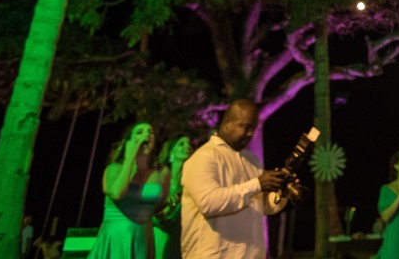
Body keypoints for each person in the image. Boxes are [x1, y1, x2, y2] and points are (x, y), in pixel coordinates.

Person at [181, 100, 291, 259]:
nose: (250, 134)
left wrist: (282, 191)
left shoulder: (252, 160)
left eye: (253, 128)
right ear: (227, 123)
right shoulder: (204, 157)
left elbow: (262, 207)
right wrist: (257, 184)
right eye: (245, 126)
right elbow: (208, 203)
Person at [87, 122, 168, 259]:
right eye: (139, 132)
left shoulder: (161, 173)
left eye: (150, 132)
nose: (146, 135)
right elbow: (117, 193)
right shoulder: (114, 169)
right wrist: (130, 159)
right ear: (128, 141)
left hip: (143, 237)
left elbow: (159, 207)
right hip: (117, 236)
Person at [152, 133, 193, 259]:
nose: (187, 146)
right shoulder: (159, 176)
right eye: (181, 144)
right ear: (171, 151)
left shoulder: (190, 179)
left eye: (189, 144)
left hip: (179, 234)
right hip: (158, 231)